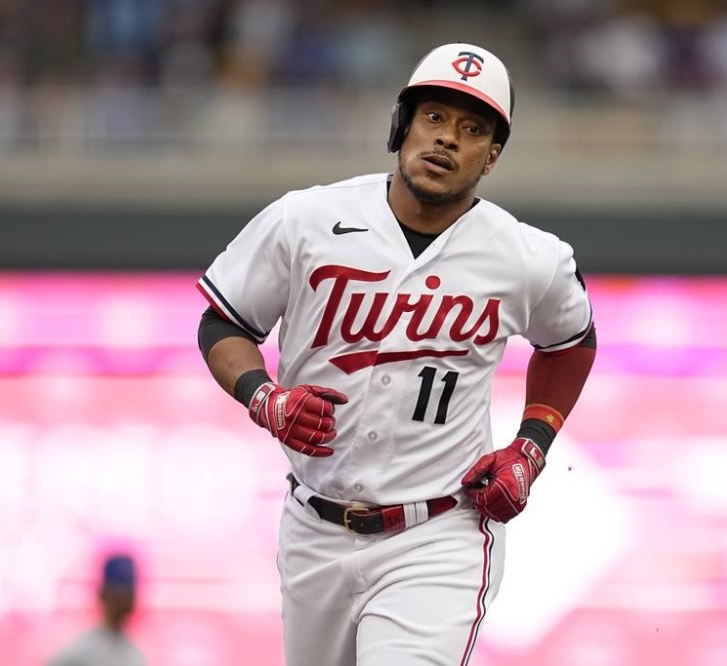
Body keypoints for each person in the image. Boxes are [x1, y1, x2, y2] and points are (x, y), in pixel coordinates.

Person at [196, 42, 596, 665]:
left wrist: (532, 445)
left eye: (472, 129)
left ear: (492, 156)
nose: (447, 138)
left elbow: (571, 343)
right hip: (313, 528)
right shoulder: (307, 218)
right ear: (401, 126)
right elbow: (224, 322)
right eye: (434, 117)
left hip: (439, 533)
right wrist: (263, 395)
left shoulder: (526, 256)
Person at [47, 553, 145, 666]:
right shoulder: (81, 651)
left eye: (127, 595)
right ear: (103, 595)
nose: (121, 603)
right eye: (117, 596)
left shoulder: (134, 655)